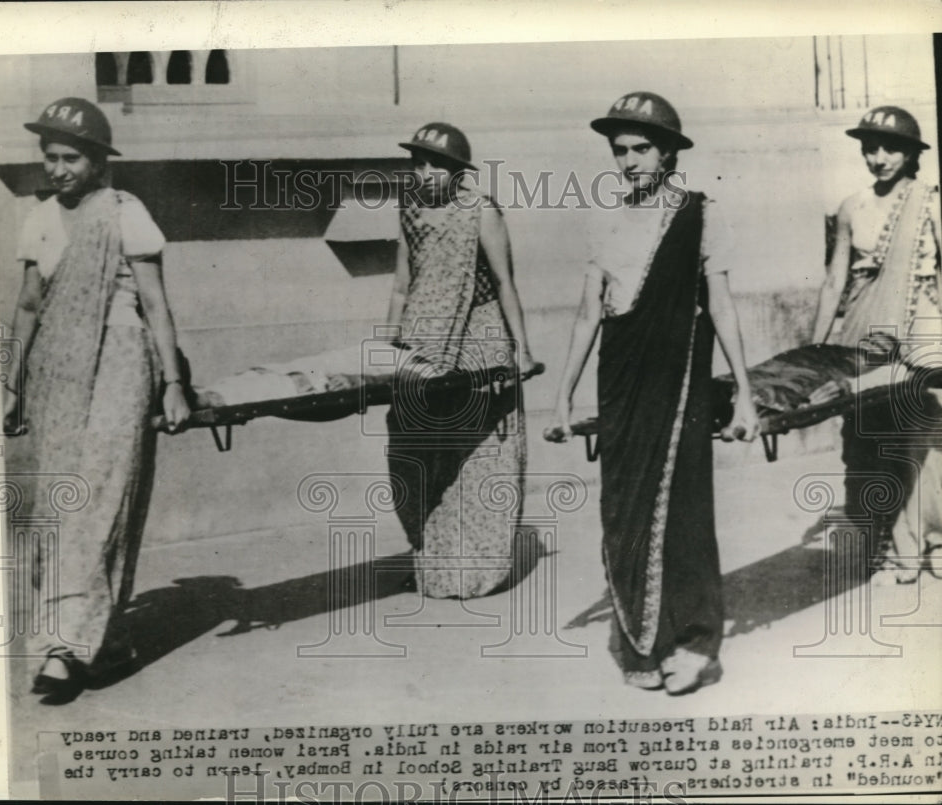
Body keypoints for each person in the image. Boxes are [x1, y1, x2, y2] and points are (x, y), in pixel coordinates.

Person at [544, 92, 758, 695]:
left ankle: (694, 640)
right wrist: (561, 398)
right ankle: (644, 638)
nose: (630, 160)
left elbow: (721, 304)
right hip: (620, 381)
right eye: (621, 150)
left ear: (669, 152)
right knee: (624, 509)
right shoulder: (603, 218)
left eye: (643, 148)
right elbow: (589, 313)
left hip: (679, 381)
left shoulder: (700, 214)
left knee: (684, 509)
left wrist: (745, 393)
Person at [2, 97, 191, 703]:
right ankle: (104, 646)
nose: (57, 169)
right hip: (55, 369)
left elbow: (157, 305)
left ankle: (63, 649)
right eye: (49, 157)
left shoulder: (124, 214)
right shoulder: (37, 218)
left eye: (70, 158)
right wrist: (10, 383)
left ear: (98, 160)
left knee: (101, 503)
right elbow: (29, 306)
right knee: (63, 506)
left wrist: (173, 383)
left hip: (118, 360)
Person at [385, 122, 538, 599]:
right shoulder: (409, 211)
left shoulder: (480, 211)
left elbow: (505, 282)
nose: (424, 172)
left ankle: (476, 570)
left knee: (479, 456)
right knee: (416, 452)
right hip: (423, 345)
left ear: (457, 171)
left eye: (435, 164)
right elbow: (400, 286)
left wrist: (522, 349)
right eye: (418, 163)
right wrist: (387, 346)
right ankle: (431, 559)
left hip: (480, 339)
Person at [810, 105, 941, 583]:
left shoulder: (930, 202)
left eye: (890, 147)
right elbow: (834, 284)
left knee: (920, 438)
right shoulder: (853, 207)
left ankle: (925, 544)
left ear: (911, 153)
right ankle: (879, 542)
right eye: (870, 148)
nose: (878, 157)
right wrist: (814, 353)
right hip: (864, 328)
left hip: (920, 327)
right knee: (865, 436)